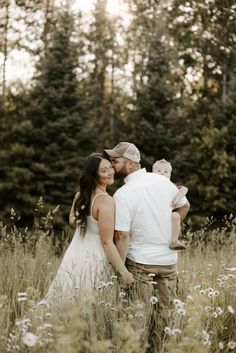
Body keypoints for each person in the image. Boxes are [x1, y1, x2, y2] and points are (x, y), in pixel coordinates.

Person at [104, 142, 190, 305]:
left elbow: (122, 236)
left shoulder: (122, 194)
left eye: (116, 161)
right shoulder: (164, 182)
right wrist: (171, 225)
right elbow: (185, 205)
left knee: (138, 321)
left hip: (139, 264)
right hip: (168, 262)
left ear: (130, 163)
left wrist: (121, 272)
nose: (112, 166)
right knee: (167, 319)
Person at [46, 153, 133, 301]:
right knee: (91, 300)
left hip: (75, 254)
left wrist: (85, 220)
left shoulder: (80, 194)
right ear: (94, 176)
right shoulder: (105, 201)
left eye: (110, 167)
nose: (111, 172)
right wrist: (123, 272)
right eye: (104, 171)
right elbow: (106, 242)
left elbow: (72, 221)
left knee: (67, 297)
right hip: (94, 257)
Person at [152, 158, 188, 250]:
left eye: (166, 171)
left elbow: (184, 189)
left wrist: (176, 200)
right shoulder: (150, 184)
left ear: (170, 175)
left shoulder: (171, 185)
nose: (162, 173)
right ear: (152, 173)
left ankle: (174, 241)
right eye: (158, 171)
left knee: (176, 215)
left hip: (167, 213)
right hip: (153, 212)